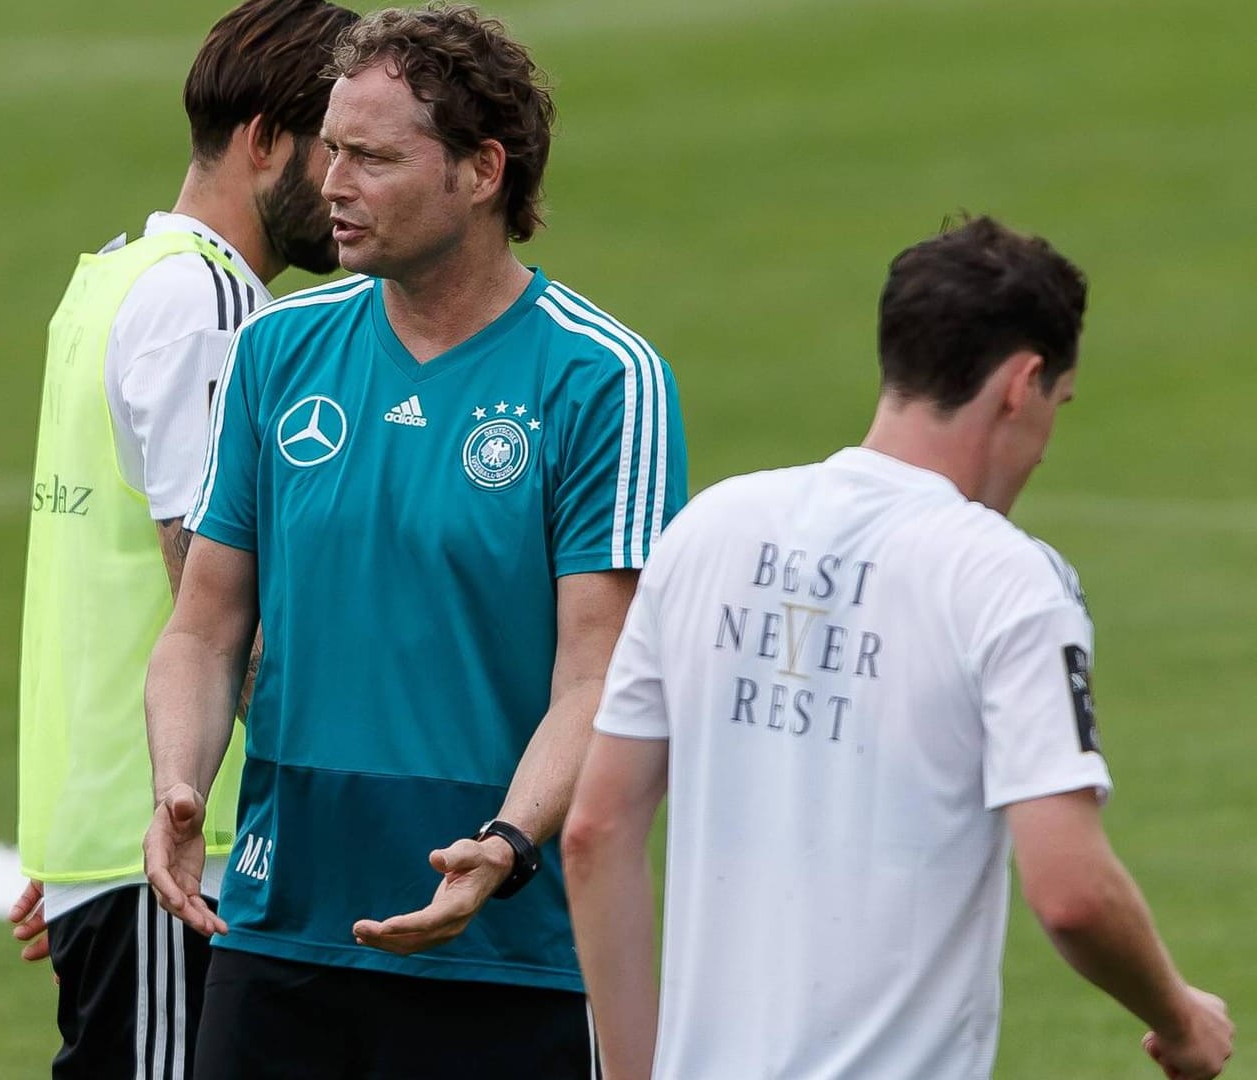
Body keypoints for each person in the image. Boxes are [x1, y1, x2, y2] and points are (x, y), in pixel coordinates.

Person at [142, 5, 688, 1077]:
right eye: (330, 149)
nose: (330, 184)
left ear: (481, 172)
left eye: (373, 158)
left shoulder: (600, 380)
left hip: (501, 952)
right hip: (279, 926)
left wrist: (505, 846)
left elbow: (599, 674)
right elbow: (204, 629)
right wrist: (180, 783)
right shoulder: (277, 351)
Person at [563, 216, 1235, 1080]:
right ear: (1022, 385)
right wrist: (1179, 1016)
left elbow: (595, 832)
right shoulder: (1007, 579)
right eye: (1057, 408)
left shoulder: (710, 529)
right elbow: (1070, 894)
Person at [7, 1, 357, 1077]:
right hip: (180, 848)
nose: (346, 187)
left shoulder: (109, 282)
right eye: (332, 149)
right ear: (264, 141)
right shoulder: (205, 305)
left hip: (120, 836)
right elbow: (208, 587)